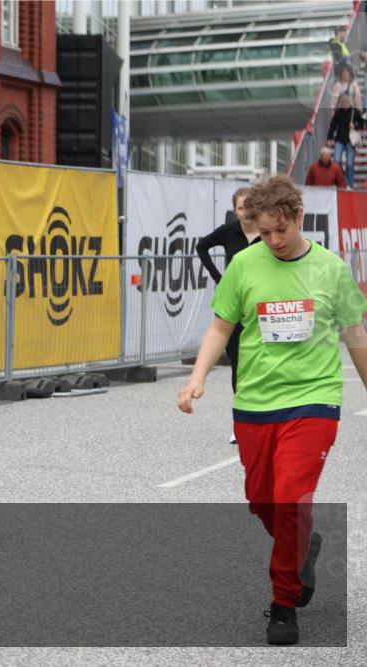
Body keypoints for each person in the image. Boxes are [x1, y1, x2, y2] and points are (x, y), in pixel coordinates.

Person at [177, 175, 367, 646]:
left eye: (280, 230)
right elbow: (221, 327)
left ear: (298, 217)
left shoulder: (330, 268)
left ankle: (284, 604)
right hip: (255, 403)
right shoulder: (244, 265)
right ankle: (305, 540)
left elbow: (355, 334)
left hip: (314, 400)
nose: (274, 241)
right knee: (262, 500)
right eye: (264, 233)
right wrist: (198, 377)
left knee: (288, 499)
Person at [196, 186, 259, 443]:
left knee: (257, 363)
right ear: (235, 209)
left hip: (258, 306)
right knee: (237, 363)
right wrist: (218, 278)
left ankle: (264, 418)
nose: (244, 212)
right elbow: (201, 247)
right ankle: (240, 422)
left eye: (248, 206)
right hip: (233, 309)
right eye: (240, 207)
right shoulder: (228, 232)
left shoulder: (266, 232)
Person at [326, 93, 365, 188]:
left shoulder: (354, 112)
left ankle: (349, 185)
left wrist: (354, 126)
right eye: (342, 102)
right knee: (336, 161)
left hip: (350, 142)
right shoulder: (338, 112)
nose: (344, 104)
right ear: (340, 103)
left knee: (350, 163)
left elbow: (362, 124)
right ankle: (341, 180)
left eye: (346, 102)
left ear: (349, 102)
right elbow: (332, 126)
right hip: (339, 140)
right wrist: (329, 138)